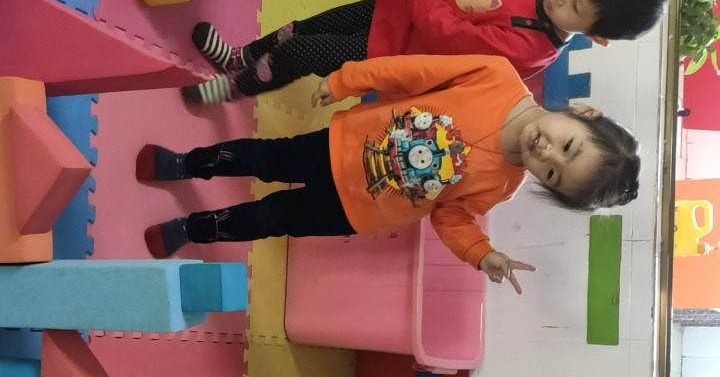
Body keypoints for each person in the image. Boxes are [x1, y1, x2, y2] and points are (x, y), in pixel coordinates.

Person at [139, 53, 639, 293]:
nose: (546, 153)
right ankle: (187, 163)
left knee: (271, 218)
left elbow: (451, 218)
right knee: (266, 158)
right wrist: (348, 79)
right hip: (340, 145)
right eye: (567, 145)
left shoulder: (503, 185)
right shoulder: (497, 77)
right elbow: (413, 71)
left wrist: (480, 253)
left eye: (551, 173)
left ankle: (194, 228)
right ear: (583, 113)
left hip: (356, 210)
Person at [182, 0, 667, 105]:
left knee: (305, 51)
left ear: (596, 36)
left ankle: (238, 87)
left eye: (576, 6)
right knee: (303, 28)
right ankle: (239, 56)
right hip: (397, 8)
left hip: (394, 51)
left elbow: (448, 36)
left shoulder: (531, 50)